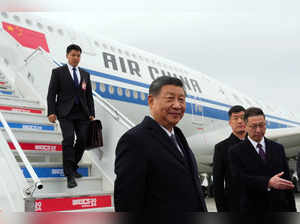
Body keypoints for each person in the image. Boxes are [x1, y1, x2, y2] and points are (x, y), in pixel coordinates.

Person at [114, 76, 207, 212]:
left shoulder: (178, 136)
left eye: (181, 100)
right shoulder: (134, 140)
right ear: (151, 101)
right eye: (170, 99)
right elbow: (126, 201)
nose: (177, 105)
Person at [229, 107, 296, 212]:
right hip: (252, 209)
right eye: (253, 126)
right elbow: (239, 179)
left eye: (261, 125)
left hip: (279, 209)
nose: (258, 130)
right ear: (245, 127)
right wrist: (268, 182)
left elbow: (287, 183)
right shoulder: (236, 151)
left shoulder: (278, 148)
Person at [47, 44, 95, 188]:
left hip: (82, 113)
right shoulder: (58, 72)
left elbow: (88, 96)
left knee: (82, 140)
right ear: (67, 56)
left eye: (78, 56)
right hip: (65, 112)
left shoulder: (85, 74)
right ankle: (69, 175)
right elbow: (51, 94)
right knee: (68, 139)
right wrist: (51, 111)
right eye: (73, 55)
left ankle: (72, 167)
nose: (76, 58)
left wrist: (92, 112)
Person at [213, 105, 246, 212]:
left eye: (242, 118)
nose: (240, 121)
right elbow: (218, 184)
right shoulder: (221, 148)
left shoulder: (257, 145)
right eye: (236, 118)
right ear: (230, 123)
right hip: (234, 206)